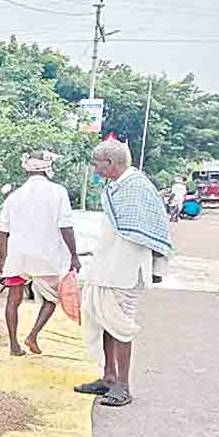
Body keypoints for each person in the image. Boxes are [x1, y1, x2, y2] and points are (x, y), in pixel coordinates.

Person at [74, 140, 171, 407]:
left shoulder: (136, 186)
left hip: (125, 270)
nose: (95, 168)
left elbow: (154, 230)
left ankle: (123, 387)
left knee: (119, 327)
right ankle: (108, 378)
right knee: (101, 319)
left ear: (112, 163)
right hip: (106, 267)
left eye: (97, 164)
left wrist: (157, 268)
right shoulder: (117, 186)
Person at [0, 150, 80, 356]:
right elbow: (65, 226)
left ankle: (14, 345)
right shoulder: (58, 192)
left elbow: (1, 233)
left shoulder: (13, 197)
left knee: (13, 300)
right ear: (47, 169)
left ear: (26, 170)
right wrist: (74, 256)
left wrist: (4, 260)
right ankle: (32, 336)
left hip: (18, 257)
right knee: (51, 299)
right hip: (46, 257)